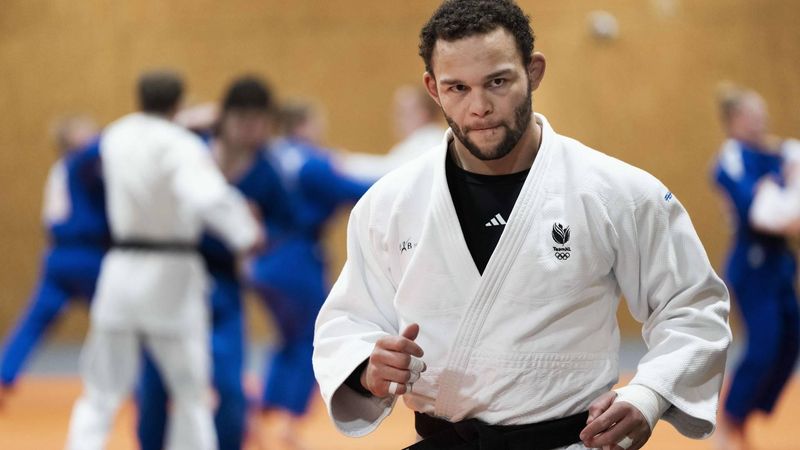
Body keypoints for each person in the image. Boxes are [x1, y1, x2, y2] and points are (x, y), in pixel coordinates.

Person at [312, 1, 731, 450]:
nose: (480, 107)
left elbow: (692, 307)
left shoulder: (617, 192)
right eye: (457, 88)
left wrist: (649, 394)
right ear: (433, 89)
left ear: (533, 71)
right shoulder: (389, 203)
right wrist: (367, 370)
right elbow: (349, 320)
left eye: (498, 81)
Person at [65, 70, 263, 450]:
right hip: (170, 276)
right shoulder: (182, 145)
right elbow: (207, 196)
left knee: (100, 392)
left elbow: (79, 164)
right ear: (179, 102)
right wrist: (246, 233)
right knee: (190, 394)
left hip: (120, 269)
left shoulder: (115, 135)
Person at [135, 76, 292, 450]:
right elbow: (146, 140)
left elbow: (283, 228)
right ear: (224, 118)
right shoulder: (190, 149)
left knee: (228, 386)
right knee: (155, 382)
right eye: (243, 120)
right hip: (168, 278)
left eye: (259, 122)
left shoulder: (268, 173)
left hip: (222, 285)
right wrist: (186, 119)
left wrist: (258, 232)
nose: (251, 130)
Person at [249, 98, 373, 448]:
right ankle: (289, 425)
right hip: (296, 258)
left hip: (263, 260)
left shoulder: (267, 156)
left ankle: (262, 416)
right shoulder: (312, 162)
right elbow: (358, 192)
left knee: (287, 338)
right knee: (310, 339)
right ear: (303, 124)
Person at [712, 83, 800, 450]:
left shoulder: (779, 154)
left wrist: (780, 191)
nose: (761, 119)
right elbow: (759, 212)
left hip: (781, 265)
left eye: (763, 111)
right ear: (734, 120)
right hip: (752, 266)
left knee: (790, 343)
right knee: (763, 346)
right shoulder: (733, 157)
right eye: (752, 113)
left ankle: (743, 415)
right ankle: (729, 421)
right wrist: (783, 196)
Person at [0, 115, 105, 405]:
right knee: (122, 321)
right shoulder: (83, 168)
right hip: (86, 254)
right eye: (86, 131)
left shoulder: (62, 169)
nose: (95, 132)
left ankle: (4, 374)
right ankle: (144, 386)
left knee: (35, 321)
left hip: (59, 256)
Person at [341, 84, 445, 180]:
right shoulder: (420, 141)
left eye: (401, 113)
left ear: (422, 114)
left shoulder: (429, 142)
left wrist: (345, 163)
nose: (396, 119)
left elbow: (390, 173)